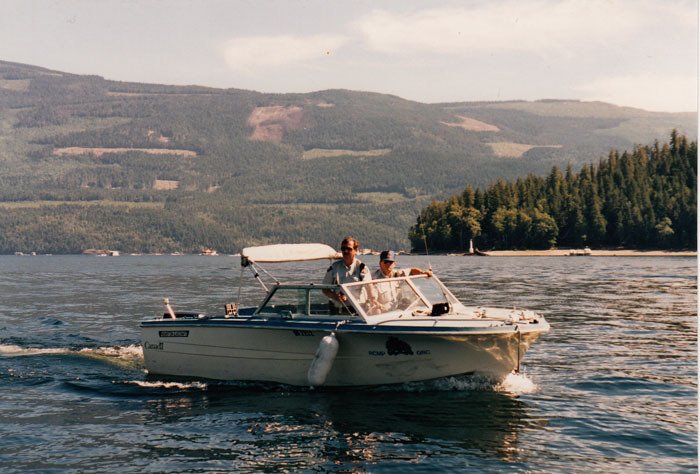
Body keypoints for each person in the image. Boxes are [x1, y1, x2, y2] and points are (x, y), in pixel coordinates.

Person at [322, 236, 372, 311]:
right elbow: (324, 288)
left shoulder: (362, 268)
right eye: (343, 249)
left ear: (355, 250)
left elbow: (369, 287)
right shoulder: (334, 267)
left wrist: (373, 301)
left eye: (349, 249)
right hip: (338, 309)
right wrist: (335, 296)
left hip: (357, 310)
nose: (345, 251)